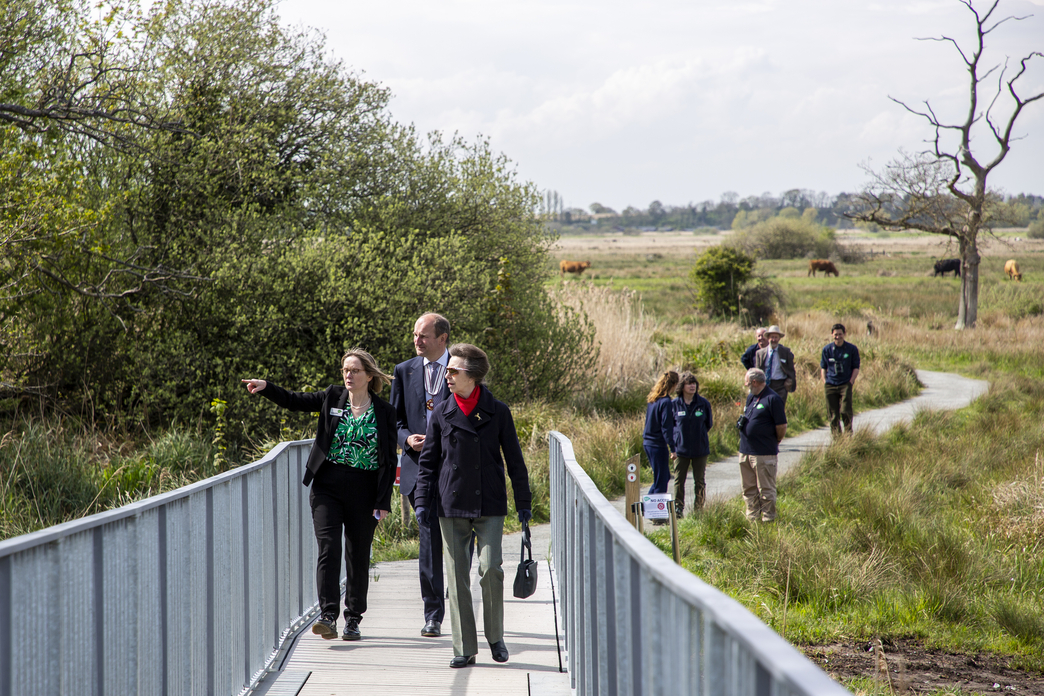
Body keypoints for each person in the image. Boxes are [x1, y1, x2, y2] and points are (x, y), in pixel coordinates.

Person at [241, 348, 395, 641]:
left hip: (365, 490)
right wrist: (266, 387)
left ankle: (353, 618)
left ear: (369, 375)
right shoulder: (332, 397)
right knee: (329, 548)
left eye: (355, 371)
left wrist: (382, 501)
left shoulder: (384, 411)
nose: (348, 375)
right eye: (345, 370)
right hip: (327, 485)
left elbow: (389, 460)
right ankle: (328, 615)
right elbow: (294, 401)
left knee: (357, 555)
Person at [415, 343, 532, 669]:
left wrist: (524, 503)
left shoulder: (498, 410)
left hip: (490, 503)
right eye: (448, 370)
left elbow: (515, 462)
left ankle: (495, 637)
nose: (447, 376)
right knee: (456, 577)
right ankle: (464, 647)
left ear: (473, 376)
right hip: (451, 504)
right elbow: (428, 464)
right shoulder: (441, 412)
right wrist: (422, 502)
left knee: (491, 568)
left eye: (454, 371)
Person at [390, 312, 451, 638]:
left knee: (459, 542)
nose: (417, 340)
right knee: (428, 540)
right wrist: (406, 439)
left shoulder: (462, 365)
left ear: (442, 338)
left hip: (455, 472)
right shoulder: (403, 371)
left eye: (424, 336)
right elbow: (394, 421)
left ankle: (458, 600)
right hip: (419, 470)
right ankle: (433, 615)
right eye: (415, 334)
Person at [737, 368, 787, 523]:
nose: (746, 385)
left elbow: (781, 426)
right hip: (745, 451)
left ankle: (768, 520)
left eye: (747, 382)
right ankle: (752, 519)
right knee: (748, 489)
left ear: (754, 382)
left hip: (764, 453)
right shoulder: (751, 397)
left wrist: (775, 440)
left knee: (765, 489)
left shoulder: (773, 399)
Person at [671, 372, 713, 518]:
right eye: (689, 383)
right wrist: (673, 446)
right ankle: (678, 508)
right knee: (679, 480)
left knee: (699, 481)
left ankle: (699, 509)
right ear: (682, 386)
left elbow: (708, 424)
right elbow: (670, 427)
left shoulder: (703, 403)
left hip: (700, 449)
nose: (692, 386)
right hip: (680, 450)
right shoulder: (674, 404)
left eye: (694, 383)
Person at [644, 371, 679, 507]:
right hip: (657, 444)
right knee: (662, 480)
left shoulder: (653, 400)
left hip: (648, 442)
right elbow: (666, 427)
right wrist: (672, 448)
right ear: (674, 384)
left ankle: (648, 506)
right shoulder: (666, 402)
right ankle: (656, 512)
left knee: (661, 477)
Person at [821, 323, 861, 436]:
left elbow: (856, 367)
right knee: (832, 414)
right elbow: (823, 367)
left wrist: (851, 381)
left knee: (845, 411)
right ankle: (837, 440)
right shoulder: (827, 349)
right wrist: (825, 382)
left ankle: (848, 435)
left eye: (840, 334)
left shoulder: (851, 349)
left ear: (844, 334)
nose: (838, 337)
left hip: (845, 384)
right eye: (835, 334)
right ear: (831, 335)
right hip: (830, 384)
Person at [755, 325, 797, 406]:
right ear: (768, 338)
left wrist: (790, 381)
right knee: (765, 408)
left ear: (779, 339)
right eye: (772, 337)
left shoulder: (786, 352)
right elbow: (757, 372)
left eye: (776, 337)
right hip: (765, 385)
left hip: (780, 386)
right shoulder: (760, 353)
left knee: (779, 409)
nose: (773, 340)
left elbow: (791, 370)